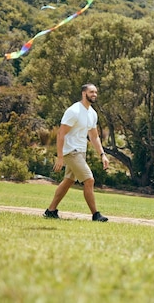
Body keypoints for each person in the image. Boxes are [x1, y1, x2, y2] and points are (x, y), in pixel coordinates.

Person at [44, 84, 110, 222]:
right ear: (83, 93)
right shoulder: (74, 111)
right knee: (89, 180)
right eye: (91, 92)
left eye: (96, 92)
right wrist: (60, 157)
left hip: (81, 151)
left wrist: (102, 154)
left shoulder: (92, 113)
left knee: (68, 181)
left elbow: (94, 136)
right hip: (71, 151)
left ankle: (50, 211)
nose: (94, 95)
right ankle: (95, 214)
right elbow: (61, 134)